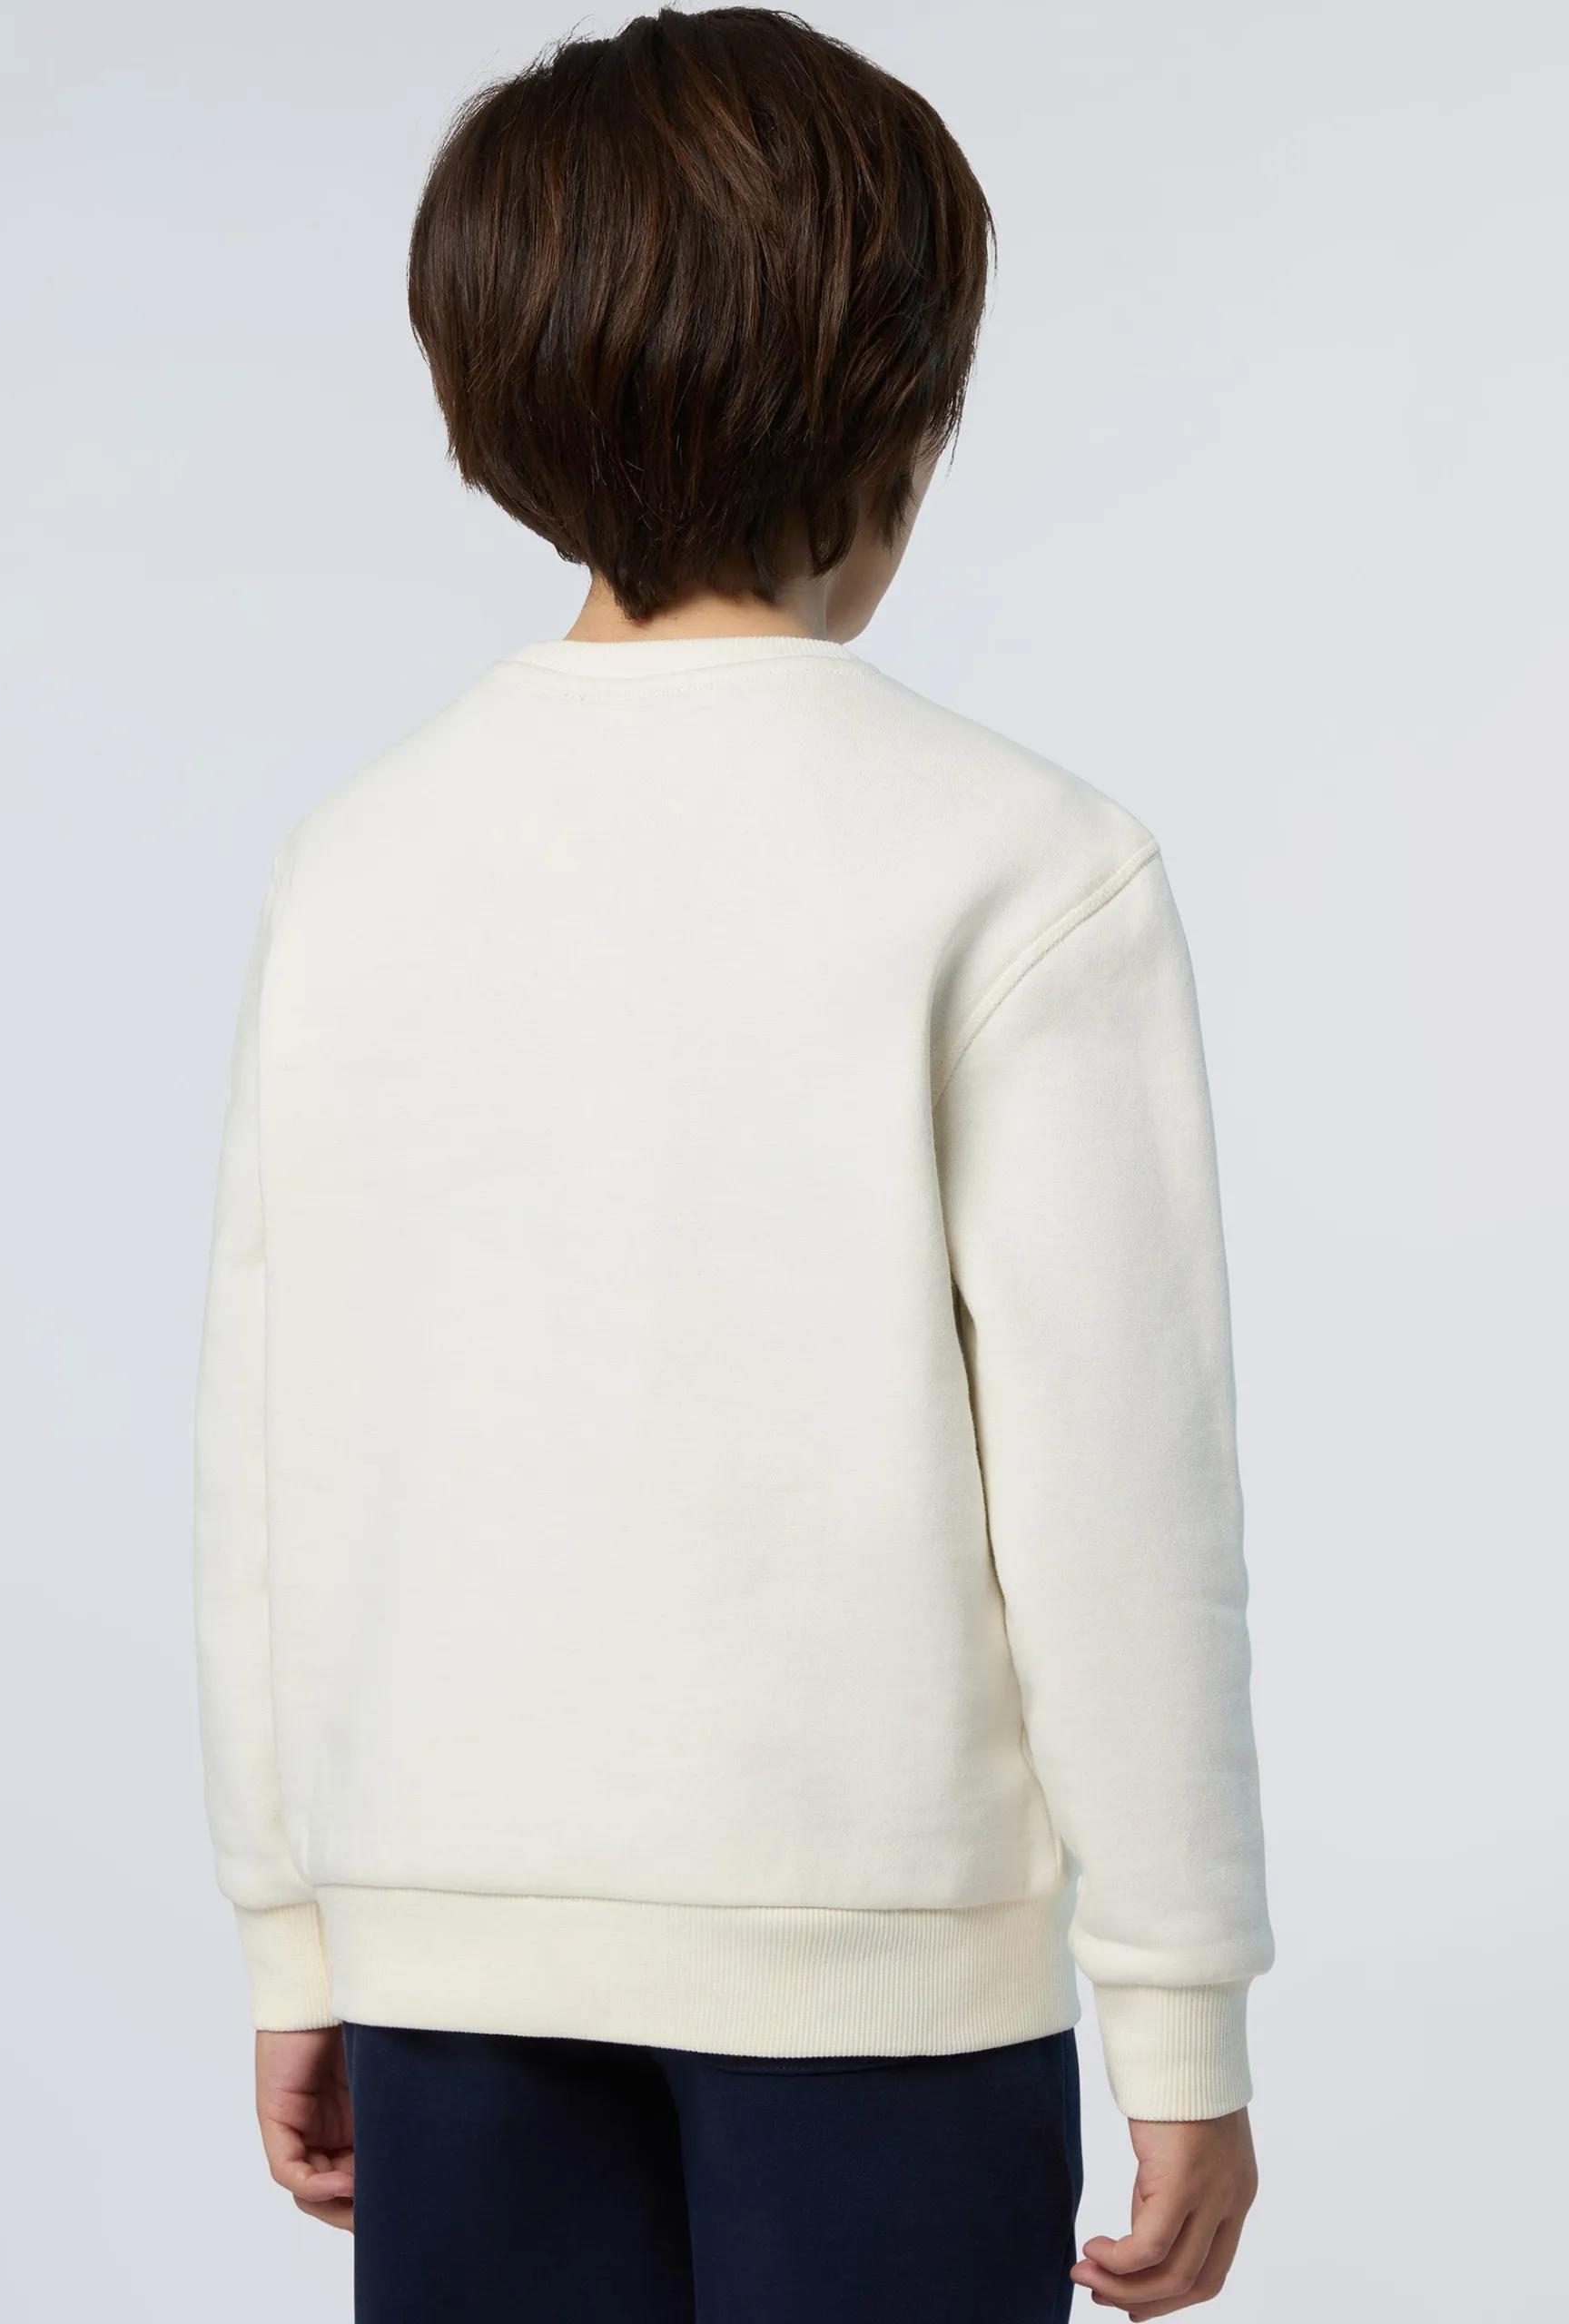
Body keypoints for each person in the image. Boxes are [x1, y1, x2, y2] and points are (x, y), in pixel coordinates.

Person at [192, 10, 1273, 2318]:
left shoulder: (359, 855)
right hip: (882, 1976)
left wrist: (298, 1923)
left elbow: (271, 1442)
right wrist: (1182, 2009)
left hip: (450, 1938)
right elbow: (1117, 1488)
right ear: (901, 410)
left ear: (494, 395)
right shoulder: (1022, 861)